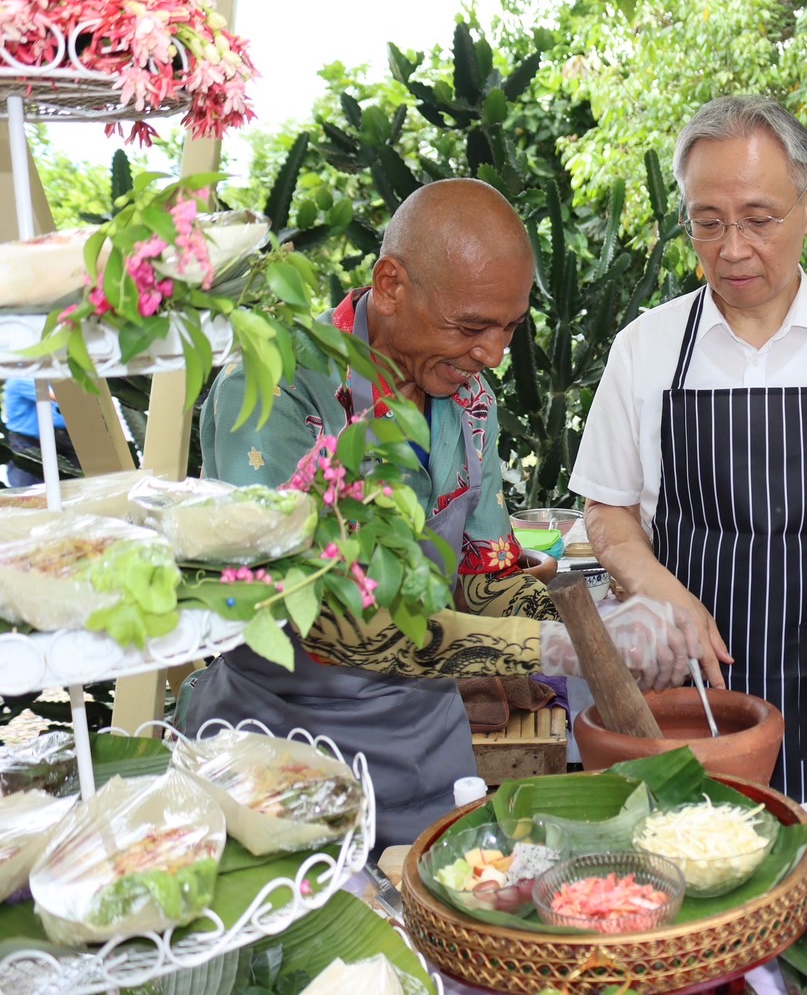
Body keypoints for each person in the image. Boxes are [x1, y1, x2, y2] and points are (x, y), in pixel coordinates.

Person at [182, 178, 693, 847]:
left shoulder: (470, 401)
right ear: (390, 284)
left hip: (427, 762)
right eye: (471, 326)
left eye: (509, 326)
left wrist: (604, 625)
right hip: (276, 766)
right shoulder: (274, 388)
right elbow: (334, 625)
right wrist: (556, 646)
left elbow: (483, 579)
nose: (492, 354)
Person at [569, 95, 807, 803]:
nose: (732, 248)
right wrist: (664, 593)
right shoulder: (644, 351)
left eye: (758, 220)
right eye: (707, 224)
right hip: (688, 697)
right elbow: (607, 513)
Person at [3, 378, 77, 487]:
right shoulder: (20, 379)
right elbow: (57, 397)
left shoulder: (40, 379)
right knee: (27, 484)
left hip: (45, 438)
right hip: (25, 440)